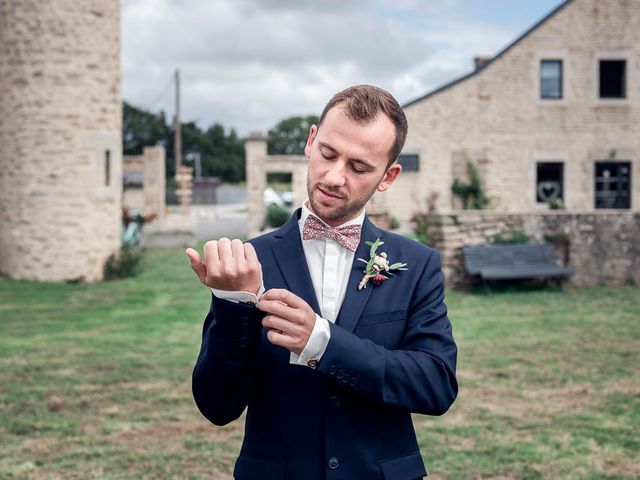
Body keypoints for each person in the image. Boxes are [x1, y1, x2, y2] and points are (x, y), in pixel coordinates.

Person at [186, 85, 458, 480]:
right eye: (328, 154)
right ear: (311, 141)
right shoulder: (250, 260)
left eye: (359, 167)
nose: (334, 177)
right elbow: (216, 406)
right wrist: (233, 303)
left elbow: (436, 386)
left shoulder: (416, 264)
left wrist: (322, 342)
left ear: (388, 176)